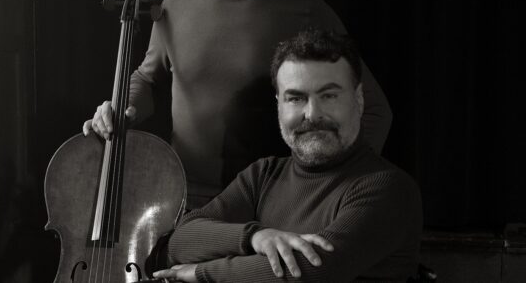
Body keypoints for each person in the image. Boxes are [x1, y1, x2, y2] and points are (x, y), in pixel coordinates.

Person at [83, 0, 392, 208]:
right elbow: (148, 78)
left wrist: (330, 189)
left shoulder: (306, 11)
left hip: (269, 205)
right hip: (181, 204)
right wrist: (120, 109)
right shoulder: (174, 5)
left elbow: (374, 109)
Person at [153, 29, 422, 282]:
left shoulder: (388, 189)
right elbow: (179, 242)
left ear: (359, 100)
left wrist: (201, 272)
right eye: (295, 98)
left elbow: (305, 273)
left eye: (329, 96)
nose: (312, 114)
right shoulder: (262, 175)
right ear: (279, 106)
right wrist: (255, 237)